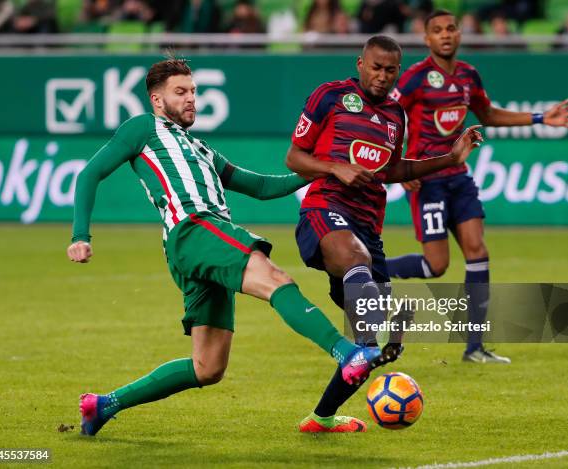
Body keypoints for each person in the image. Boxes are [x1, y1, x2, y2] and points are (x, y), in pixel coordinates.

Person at [67, 58, 398, 436]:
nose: (191, 99)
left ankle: (103, 405)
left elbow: (258, 186)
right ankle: (347, 353)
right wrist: (81, 235)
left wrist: (326, 168)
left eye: (193, 91)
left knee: (207, 368)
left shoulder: (200, 148)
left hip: (195, 248)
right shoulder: (143, 128)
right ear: (157, 100)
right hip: (195, 228)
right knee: (275, 279)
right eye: (181, 92)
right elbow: (90, 172)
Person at [286, 35, 484, 432]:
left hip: (367, 226)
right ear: (361, 63)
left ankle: (322, 417)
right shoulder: (330, 96)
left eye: (390, 70)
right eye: (375, 67)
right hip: (324, 209)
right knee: (357, 271)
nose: (382, 76)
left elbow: (393, 171)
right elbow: (294, 157)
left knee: (370, 344)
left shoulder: (396, 114)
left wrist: (452, 157)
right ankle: (368, 346)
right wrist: (334, 168)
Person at [385, 10, 568, 363]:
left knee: (478, 252)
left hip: (459, 179)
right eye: (437, 30)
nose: (445, 35)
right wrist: (399, 163)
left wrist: (541, 118)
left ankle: (474, 348)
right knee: (436, 266)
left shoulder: (467, 75)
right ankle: (373, 269)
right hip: (427, 180)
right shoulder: (415, 79)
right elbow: (388, 114)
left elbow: (488, 114)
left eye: (451, 28)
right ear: (427, 39)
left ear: (459, 34)